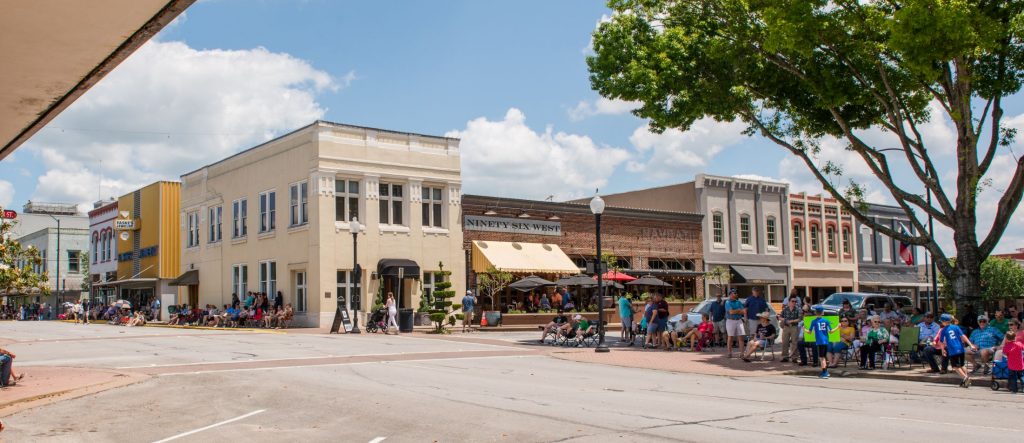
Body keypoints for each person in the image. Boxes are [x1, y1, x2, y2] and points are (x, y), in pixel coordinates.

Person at [806, 306, 838, 378]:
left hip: (819, 341)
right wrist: (837, 327)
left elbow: (809, 332)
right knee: (824, 357)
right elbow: (831, 331)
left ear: (815, 313)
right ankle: (825, 371)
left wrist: (804, 329)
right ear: (822, 312)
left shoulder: (813, 321)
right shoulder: (826, 320)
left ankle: (825, 372)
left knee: (822, 358)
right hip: (826, 340)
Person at [778, 297, 802, 362]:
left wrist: (792, 321)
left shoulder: (798, 309)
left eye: (795, 301)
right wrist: (785, 320)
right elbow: (780, 317)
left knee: (794, 342)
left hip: (794, 327)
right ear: (789, 302)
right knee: (785, 342)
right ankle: (785, 357)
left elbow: (800, 319)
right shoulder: (785, 309)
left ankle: (794, 357)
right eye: (792, 301)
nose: (794, 302)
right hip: (786, 327)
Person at [724, 289, 746, 358]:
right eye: (734, 293)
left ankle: (742, 353)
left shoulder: (738, 302)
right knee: (730, 337)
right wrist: (738, 310)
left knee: (741, 336)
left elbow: (743, 311)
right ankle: (729, 353)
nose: (736, 294)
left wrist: (736, 311)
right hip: (730, 320)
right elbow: (731, 312)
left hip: (739, 320)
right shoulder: (727, 302)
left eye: (736, 293)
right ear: (730, 294)